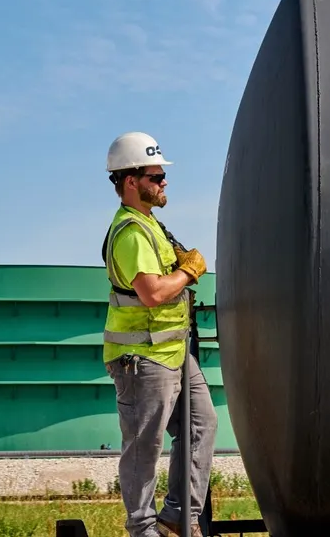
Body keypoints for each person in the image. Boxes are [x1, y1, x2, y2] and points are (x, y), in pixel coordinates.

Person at [100, 131, 216, 537]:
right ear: (131, 181)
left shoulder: (153, 226)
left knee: (202, 425)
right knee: (144, 446)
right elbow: (152, 294)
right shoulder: (131, 233)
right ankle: (143, 527)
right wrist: (188, 272)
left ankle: (177, 515)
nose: (164, 182)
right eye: (155, 176)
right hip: (142, 358)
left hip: (173, 352)